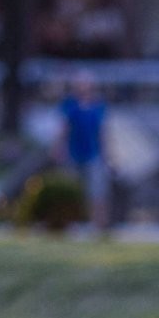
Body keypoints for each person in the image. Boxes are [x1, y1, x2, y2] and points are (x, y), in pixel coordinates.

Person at [56, 72, 110, 230]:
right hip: (73, 154)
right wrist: (58, 148)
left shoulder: (98, 106)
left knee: (97, 192)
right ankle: (69, 223)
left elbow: (102, 132)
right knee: (70, 191)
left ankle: (99, 226)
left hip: (94, 154)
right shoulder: (69, 105)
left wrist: (108, 154)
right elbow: (64, 129)